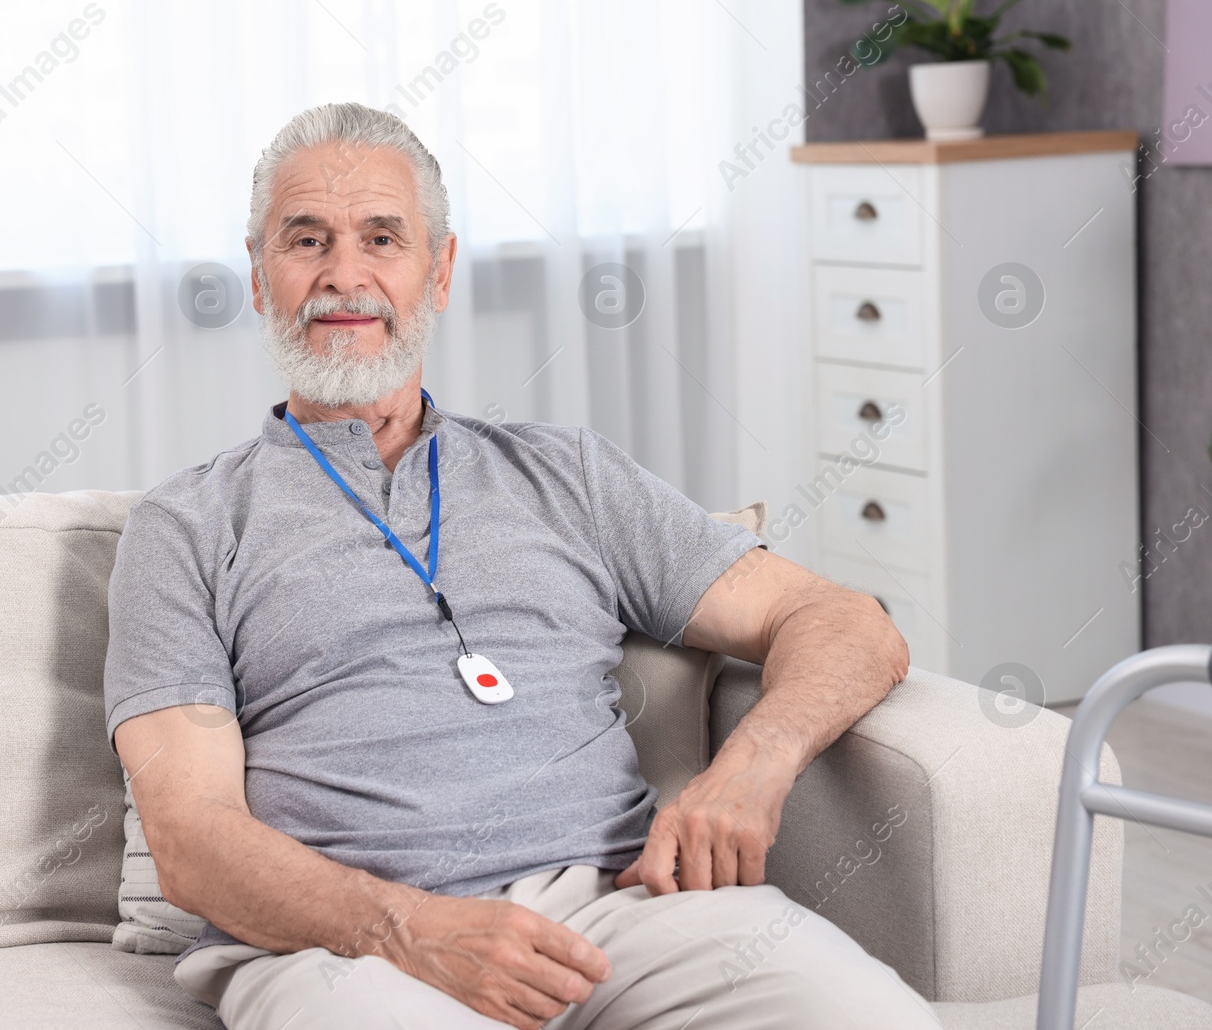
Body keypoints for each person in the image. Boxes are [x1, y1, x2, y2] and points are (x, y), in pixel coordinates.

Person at [105, 102, 941, 1030]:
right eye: (307, 240)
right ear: (260, 277)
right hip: (345, 951)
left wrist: (753, 764)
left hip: (615, 915)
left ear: (441, 270)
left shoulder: (567, 474)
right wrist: (412, 927)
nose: (345, 275)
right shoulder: (186, 525)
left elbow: (846, 622)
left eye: (383, 237)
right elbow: (191, 837)